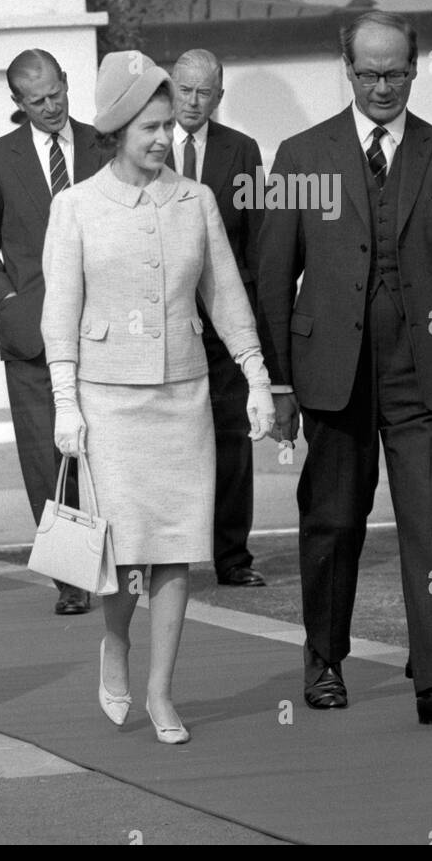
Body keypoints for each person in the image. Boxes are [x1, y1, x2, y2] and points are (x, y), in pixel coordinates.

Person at [257, 9, 432, 731]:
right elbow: (272, 275)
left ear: (415, 68)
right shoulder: (299, 156)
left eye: (395, 72)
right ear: (346, 70)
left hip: (421, 376)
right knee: (330, 523)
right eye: (368, 73)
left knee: (427, 524)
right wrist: (282, 382)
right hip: (332, 375)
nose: (382, 86)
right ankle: (324, 661)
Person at [41, 51, 275, 744]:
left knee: (177, 547)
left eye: (167, 125)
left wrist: (256, 377)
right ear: (116, 129)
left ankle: (162, 694)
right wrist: (64, 401)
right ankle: (116, 641)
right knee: (119, 550)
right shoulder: (75, 206)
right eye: (148, 127)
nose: (162, 138)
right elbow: (60, 311)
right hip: (107, 401)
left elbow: (226, 294)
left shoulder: (194, 200)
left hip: (184, 396)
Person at [0, 49, 104, 614]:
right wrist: (6, 305)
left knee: (107, 451)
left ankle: (118, 565)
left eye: (56, 94)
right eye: (36, 100)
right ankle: (70, 579)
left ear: (67, 83)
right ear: (17, 104)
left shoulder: (108, 145)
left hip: (106, 329)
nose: (50, 107)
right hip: (32, 337)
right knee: (47, 459)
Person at [171, 48, 266, 587]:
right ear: (170, 86)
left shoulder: (242, 150)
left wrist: (255, 323)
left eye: (204, 92)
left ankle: (233, 557)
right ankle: (170, 557)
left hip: (226, 323)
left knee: (233, 440)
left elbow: (258, 240)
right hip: (166, 321)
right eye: (185, 89)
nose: (193, 100)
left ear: (219, 97)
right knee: (172, 441)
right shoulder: (149, 144)